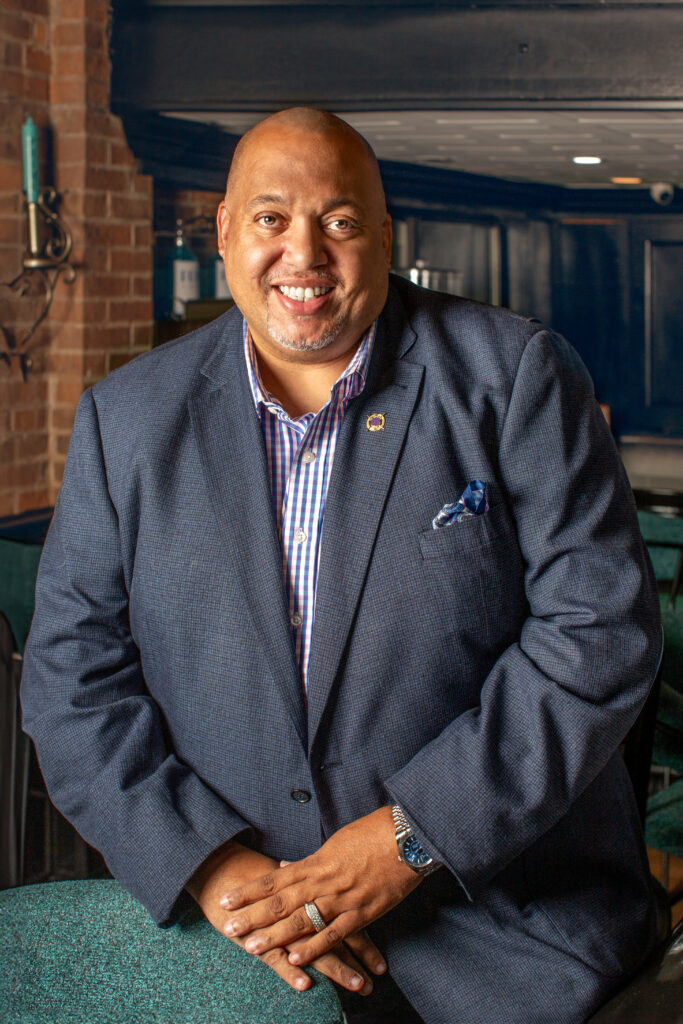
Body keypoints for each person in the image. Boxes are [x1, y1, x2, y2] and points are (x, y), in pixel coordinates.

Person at [21, 108, 661, 1024]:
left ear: (384, 236)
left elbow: (597, 633)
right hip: (240, 947)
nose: (304, 253)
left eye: (340, 221)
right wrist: (214, 868)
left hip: (505, 944)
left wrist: (409, 839)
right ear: (226, 231)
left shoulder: (515, 374)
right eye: (271, 218)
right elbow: (70, 677)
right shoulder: (125, 419)